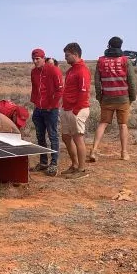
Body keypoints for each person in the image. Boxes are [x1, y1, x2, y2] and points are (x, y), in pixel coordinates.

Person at [88, 36, 137, 162]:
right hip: (123, 98)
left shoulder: (101, 61)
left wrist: (100, 97)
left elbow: (97, 82)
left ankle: (94, 150)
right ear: (120, 46)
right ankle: (124, 153)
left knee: (103, 123)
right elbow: (131, 81)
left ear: (109, 46)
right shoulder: (125, 60)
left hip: (107, 98)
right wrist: (132, 97)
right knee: (123, 125)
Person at [30, 48, 63, 176]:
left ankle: (54, 164)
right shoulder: (34, 72)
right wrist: (35, 103)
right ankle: (43, 162)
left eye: (37, 59)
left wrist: (52, 105)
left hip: (51, 109)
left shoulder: (53, 69)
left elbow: (60, 90)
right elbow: (34, 89)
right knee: (40, 136)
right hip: (39, 108)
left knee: (52, 135)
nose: (35, 61)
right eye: (33, 59)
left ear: (43, 58)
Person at [60, 42, 91, 178]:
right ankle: (74, 165)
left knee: (78, 138)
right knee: (66, 137)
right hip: (67, 108)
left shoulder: (82, 70)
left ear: (75, 54)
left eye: (67, 55)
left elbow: (83, 91)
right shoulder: (71, 70)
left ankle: (82, 169)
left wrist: (76, 109)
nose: (65, 58)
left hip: (76, 110)